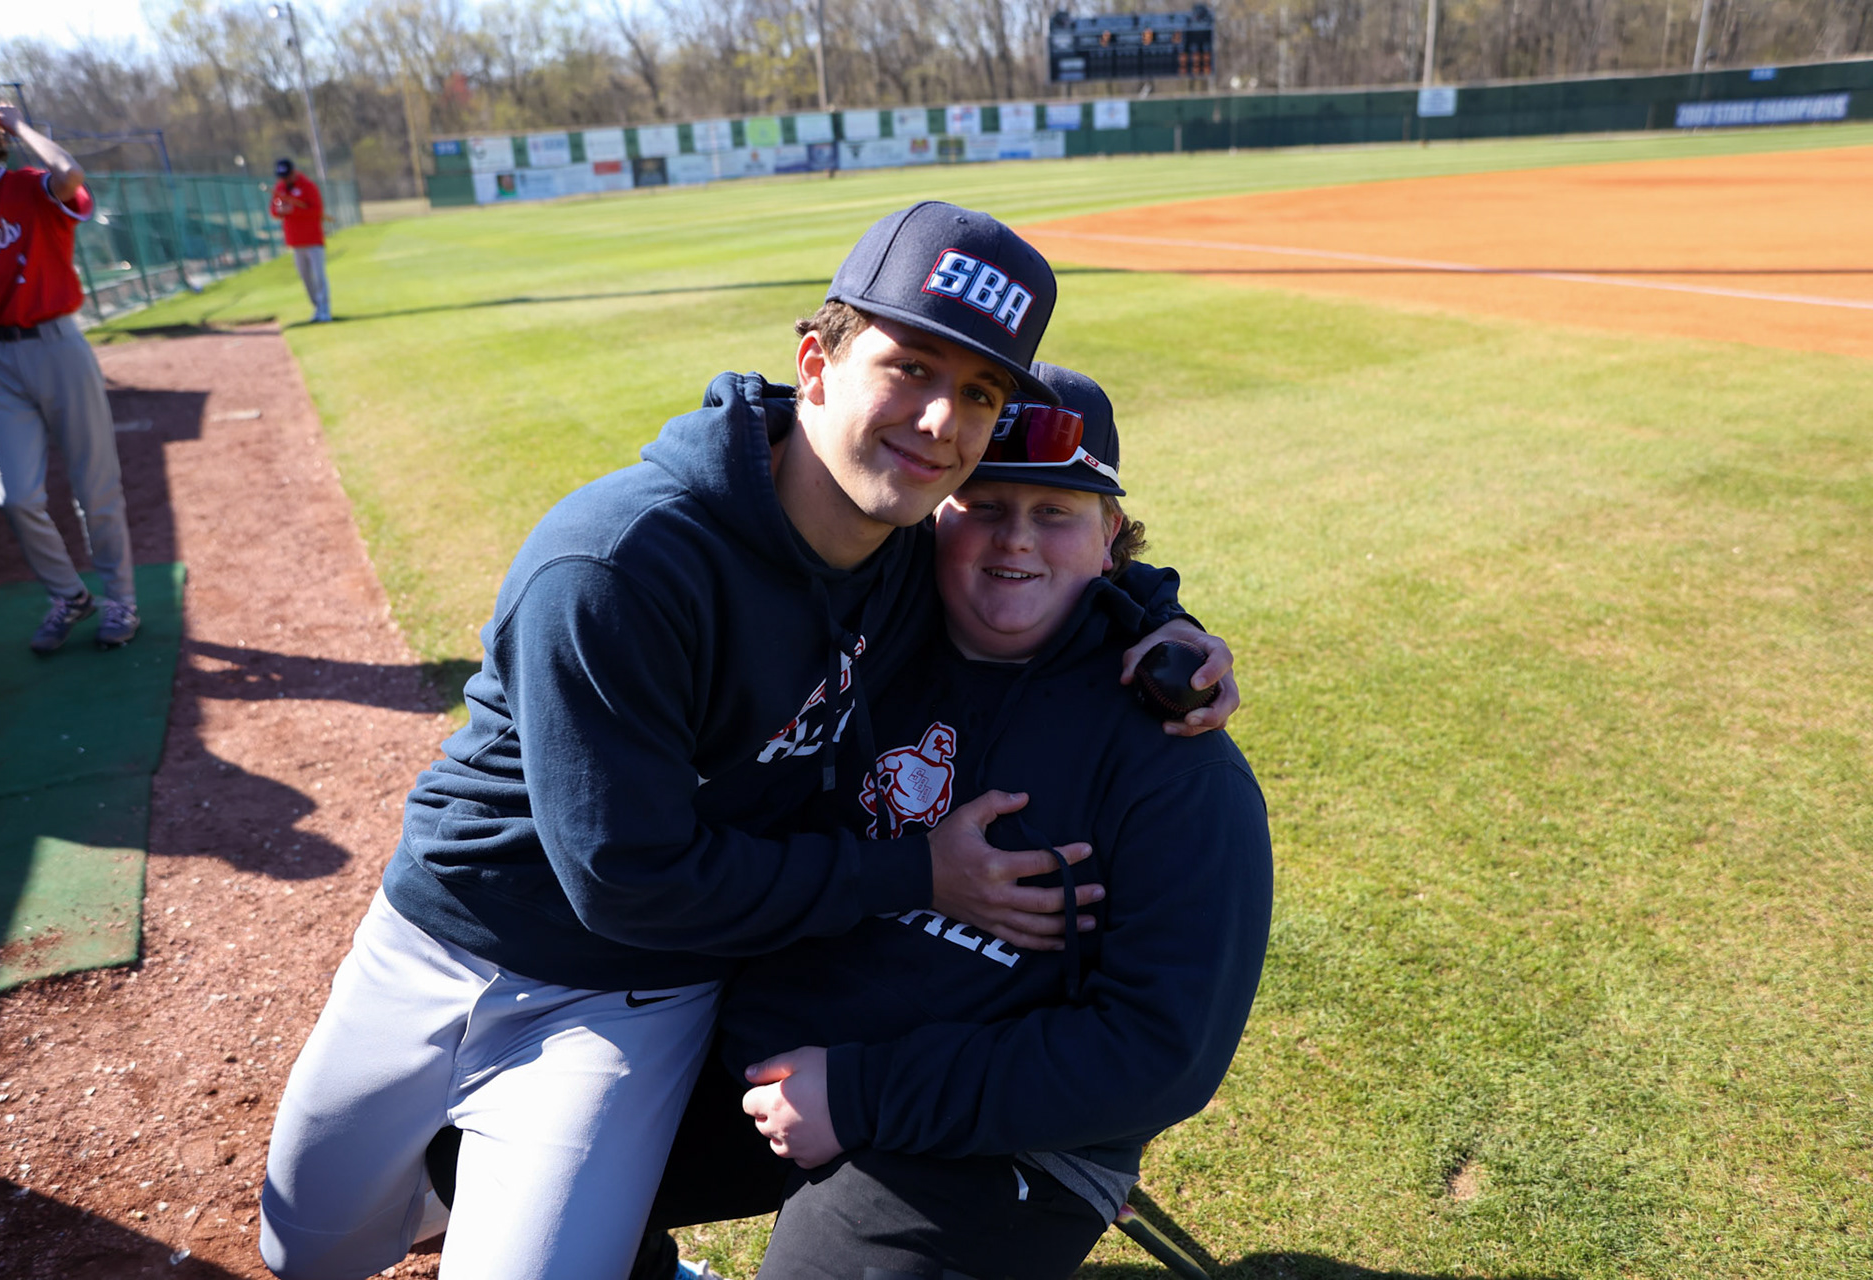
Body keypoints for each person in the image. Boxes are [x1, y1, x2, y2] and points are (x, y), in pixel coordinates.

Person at [258, 202, 1237, 1280]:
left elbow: (1050, 547)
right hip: (458, 934)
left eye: (977, 392)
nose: (937, 421)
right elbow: (628, 881)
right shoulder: (617, 567)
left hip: (646, 988)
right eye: (909, 366)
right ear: (814, 362)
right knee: (308, 1247)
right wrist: (920, 867)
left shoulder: (917, 550)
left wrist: (1158, 620)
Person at [632, 362, 1273, 1280]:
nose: (1016, 540)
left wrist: (863, 1095)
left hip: (1011, 1131)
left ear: (1111, 541)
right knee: (484, 1165)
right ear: (929, 518)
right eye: (983, 504)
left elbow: (1160, 1055)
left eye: (1057, 513)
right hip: (774, 1055)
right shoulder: (864, 648)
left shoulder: (1176, 756)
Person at [0, 82, 140, 652]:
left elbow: (73, 174)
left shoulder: (31, 188)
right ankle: (70, 596)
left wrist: (21, 126)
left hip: (58, 345)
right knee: (16, 496)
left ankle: (121, 602)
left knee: (95, 486)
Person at [269, 157, 330, 323]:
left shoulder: (308, 186)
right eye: (282, 176)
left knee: (318, 276)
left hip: (313, 240)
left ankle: (325, 310)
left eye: (287, 175)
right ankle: (317, 307)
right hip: (295, 242)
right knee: (305, 278)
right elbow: (274, 210)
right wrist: (281, 210)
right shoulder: (280, 188)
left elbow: (317, 210)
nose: (284, 179)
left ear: (293, 172)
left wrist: (292, 210)